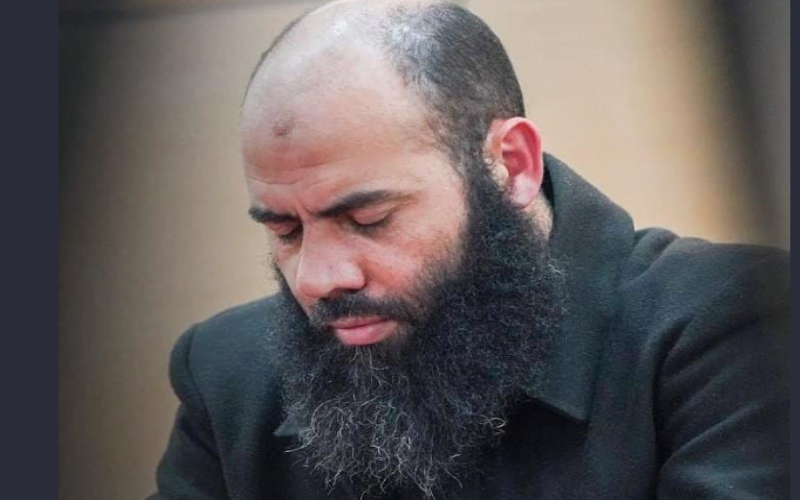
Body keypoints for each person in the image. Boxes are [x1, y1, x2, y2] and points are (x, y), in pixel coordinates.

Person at [147, 1, 790, 499]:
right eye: (285, 231)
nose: (317, 278)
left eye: (369, 219)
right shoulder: (225, 376)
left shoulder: (733, 324)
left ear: (511, 165)